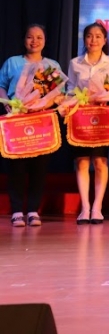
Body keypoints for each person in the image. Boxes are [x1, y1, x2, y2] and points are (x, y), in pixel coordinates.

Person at [0, 24, 65, 227]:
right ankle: (17, 211)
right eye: (30, 37)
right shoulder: (12, 62)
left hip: (42, 120)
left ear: (45, 41)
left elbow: (61, 93)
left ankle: (33, 211)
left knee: (39, 167)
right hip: (17, 119)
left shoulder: (52, 65)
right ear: (24, 40)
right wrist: (8, 105)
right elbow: (1, 86)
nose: (34, 41)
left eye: (39, 37)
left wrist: (47, 103)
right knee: (16, 167)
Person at [66, 23, 109, 225]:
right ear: (84, 39)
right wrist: (77, 97)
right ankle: (85, 208)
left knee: (100, 162)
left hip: (102, 117)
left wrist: (104, 97)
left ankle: (97, 207)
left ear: (105, 40)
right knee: (82, 162)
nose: (93, 40)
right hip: (80, 116)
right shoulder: (75, 63)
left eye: (98, 36)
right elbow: (70, 88)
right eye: (89, 36)